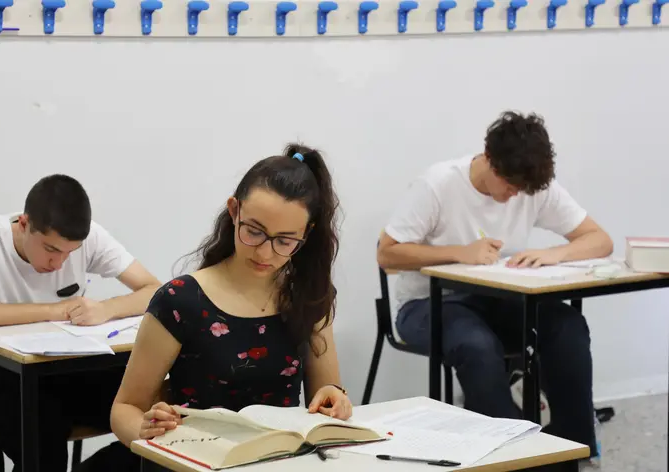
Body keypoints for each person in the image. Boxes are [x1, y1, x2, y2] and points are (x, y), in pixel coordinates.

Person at [73, 143, 352, 471]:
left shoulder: (308, 297)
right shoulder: (181, 300)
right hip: (191, 461)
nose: (265, 252)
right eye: (254, 231)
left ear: (307, 233)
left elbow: (326, 395)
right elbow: (125, 409)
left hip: (275, 461)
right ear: (234, 211)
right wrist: (144, 429)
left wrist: (335, 400)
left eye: (285, 241)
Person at [376, 111, 613, 461]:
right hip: (426, 305)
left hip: (499, 300)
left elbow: (599, 239)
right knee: (476, 346)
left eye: (521, 190)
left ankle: (572, 449)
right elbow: (387, 253)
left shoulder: (532, 187)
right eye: (508, 186)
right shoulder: (438, 184)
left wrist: (556, 253)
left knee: (567, 327)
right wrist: (460, 253)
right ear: (489, 158)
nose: (513, 196)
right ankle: (517, 456)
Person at [0, 174, 161, 472]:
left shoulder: (89, 237)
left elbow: (156, 292)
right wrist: (52, 310)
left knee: (152, 412)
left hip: (62, 366)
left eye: (70, 254)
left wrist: (107, 308)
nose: (59, 264)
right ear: (24, 223)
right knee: (43, 435)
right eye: (51, 250)